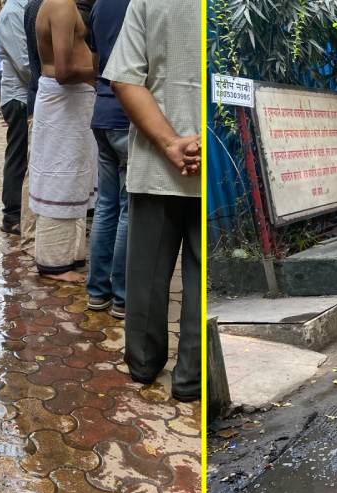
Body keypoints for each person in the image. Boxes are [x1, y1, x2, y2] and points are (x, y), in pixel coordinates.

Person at [105, 0, 200, 401]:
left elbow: (125, 79)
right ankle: (191, 380)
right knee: (199, 280)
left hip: (156, 164)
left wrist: (170, 144)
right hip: (213, 161)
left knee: (145, 274)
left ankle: (143, 365)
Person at [29, 0, 97, 279]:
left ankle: (70, 256)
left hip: (69, 106)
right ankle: (54, 262)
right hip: (63, 105)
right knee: (62, 178)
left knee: (74, 177)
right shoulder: (60, 5)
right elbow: (63, 71)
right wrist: (101, 68)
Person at [84, 0, 131, 319]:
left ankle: (98, 291)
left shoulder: (100, 5)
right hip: (128, 116)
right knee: (129, 207)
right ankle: (123, 295)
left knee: (106, 204)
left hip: (102, 111)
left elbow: (94, 59)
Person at [0, 0, 32, 234]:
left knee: (25, 155)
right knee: (18, 155)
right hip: (18, 96)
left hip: (26, 94)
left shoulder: (24, 8)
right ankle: (12, 215)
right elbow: (25, 64)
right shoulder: (12, 14)